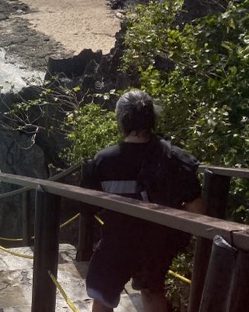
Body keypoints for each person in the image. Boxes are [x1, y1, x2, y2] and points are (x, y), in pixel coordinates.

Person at [81, 89, 203, 312]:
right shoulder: (175, 158)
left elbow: (88, 207)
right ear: (152, 118)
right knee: (152, 291)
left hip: (116, 241)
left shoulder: (104, 161)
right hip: (157, 242)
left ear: (121, 120)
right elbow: (196, 211)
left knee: (103, 297)